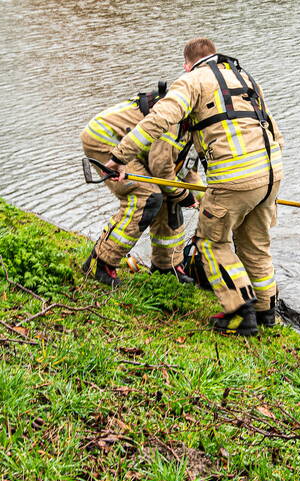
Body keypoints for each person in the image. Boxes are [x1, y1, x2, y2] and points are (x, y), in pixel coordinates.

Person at [104, 39, 283, 336]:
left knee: (211, 243)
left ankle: (240, 313)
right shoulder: (244, 77)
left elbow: (158, 120)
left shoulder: (191, 80)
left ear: (187, 65)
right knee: (256, 245)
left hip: (234, 179)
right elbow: (273, 128)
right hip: (272, 173)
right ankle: (266, 311)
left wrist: (119, 158)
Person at [81, 84, 201, 287]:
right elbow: (161, 167)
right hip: (106, 140)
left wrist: (203, 199)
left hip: (134, 148)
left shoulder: (197, 125)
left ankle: (166, 266)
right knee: (147, 196)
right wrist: (184, 196)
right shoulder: (175, 117)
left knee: (169, 197)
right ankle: (100, 263)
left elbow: (185, 171)